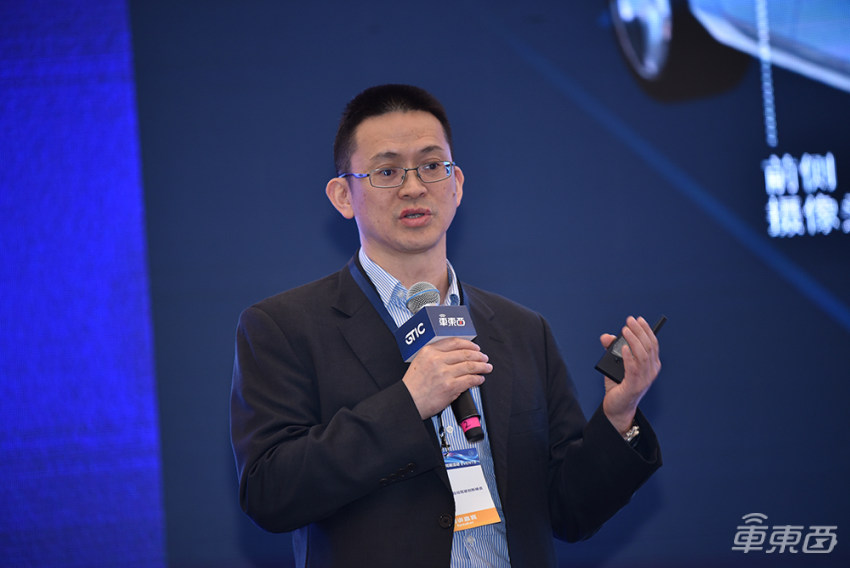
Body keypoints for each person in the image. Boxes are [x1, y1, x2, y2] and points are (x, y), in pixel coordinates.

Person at [230, 84, 663, 568]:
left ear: (456, 184)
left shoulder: (522, 331)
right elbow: (270, 492)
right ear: (343, 196)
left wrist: (618, 418)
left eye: (432, 166)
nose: (414, 187)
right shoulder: (284, 327)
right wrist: (407, 403)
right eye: (387, 171)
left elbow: (570, 512)